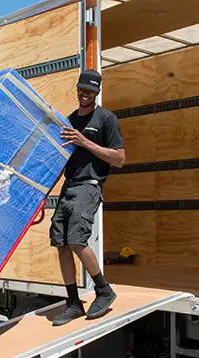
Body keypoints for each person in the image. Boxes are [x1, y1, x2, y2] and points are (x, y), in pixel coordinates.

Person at [51, 69, 126, 326]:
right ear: (77, 88)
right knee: (61, 243)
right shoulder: (70, 120)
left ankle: (103, 290)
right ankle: (73, 303)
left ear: (97, 93)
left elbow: (119, 158)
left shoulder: (106, 119)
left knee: (76, 240)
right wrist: (43, 192)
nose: (85, 94)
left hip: (89, 186)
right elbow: (61, 159)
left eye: (91, 91)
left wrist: (86, 142)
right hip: (68, 186)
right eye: (82, 89)